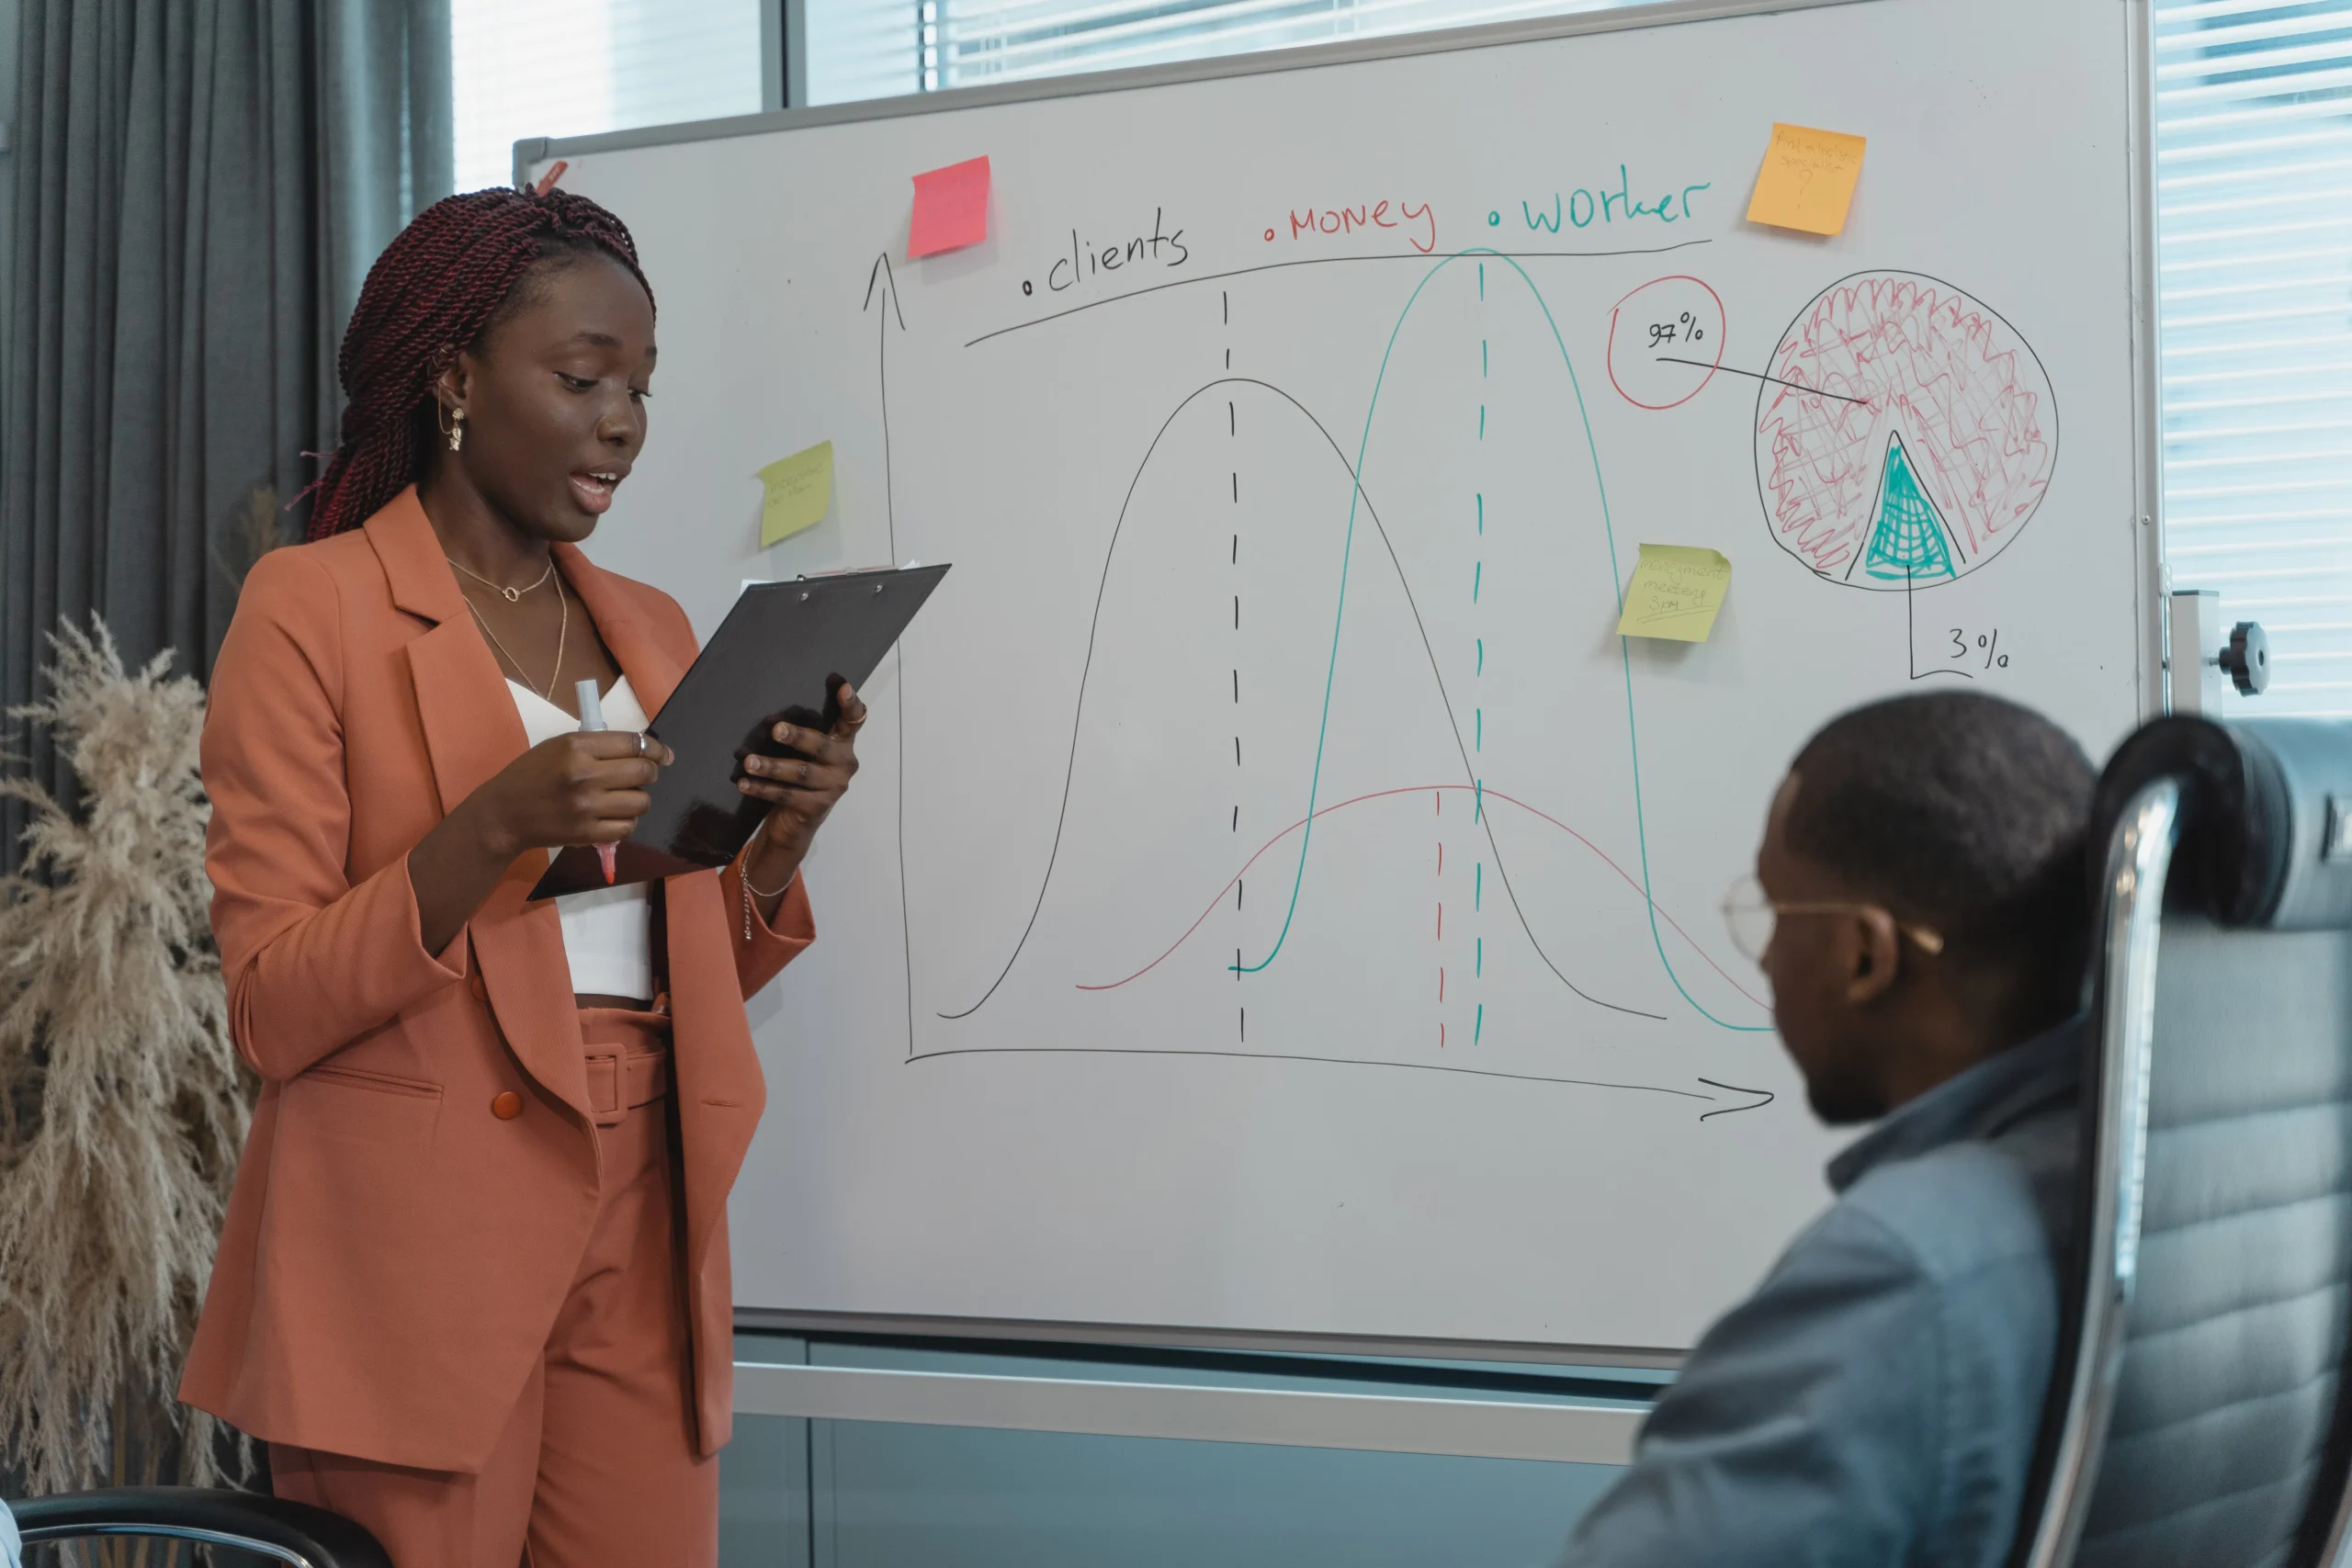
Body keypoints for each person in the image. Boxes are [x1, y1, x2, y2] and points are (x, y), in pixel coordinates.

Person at [178, 187, 857, 1566]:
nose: (622, 420)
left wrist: (776, 838)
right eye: (582, 375)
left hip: (651, 1191)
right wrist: (489, 829)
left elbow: (678, 948)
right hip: (411, 1239)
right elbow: (270, 1004)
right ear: (453, 381)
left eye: (642, 387)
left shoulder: (655, 625)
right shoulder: (309, 609)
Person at [1559, 690, 2098, 1568]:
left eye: (1777, 912)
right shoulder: (2130, 1171)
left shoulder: (1902, 1275)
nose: (1767, 956)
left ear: (1863, 956)